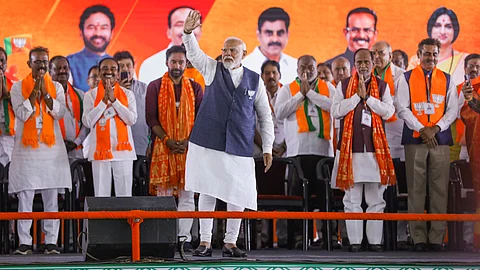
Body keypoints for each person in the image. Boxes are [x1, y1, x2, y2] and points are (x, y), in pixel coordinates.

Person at [182, 10, 274, 257]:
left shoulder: (255, 81)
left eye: (233, 50)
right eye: (225, 50)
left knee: (238, 194)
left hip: (240, 145)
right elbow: (194, 53)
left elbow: (265, 116)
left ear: (244, 54)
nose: (228, 54)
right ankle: (204, 242)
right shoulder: (212, 69)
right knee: (208, 190)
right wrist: (188, 33)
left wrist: (267, 148)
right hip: (208, 142)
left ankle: (230, 242)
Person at [330, 48, 396, 252]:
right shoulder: (342, 85)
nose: (363, 66)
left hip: (375, 152)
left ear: (373, 63)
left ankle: (375, 242)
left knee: (376, 199)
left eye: (367, 62)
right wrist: (357, 98)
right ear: (354, 64)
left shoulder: (383, 86)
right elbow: (335, 111)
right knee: (351, 200)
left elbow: (389, 112)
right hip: (350, 151)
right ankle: (355, 242)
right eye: (359, 62)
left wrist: (369, 98)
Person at [396, 38, 458, 252]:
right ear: (418, 54)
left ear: (438, 55)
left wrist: (436, 128)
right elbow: (401, 108)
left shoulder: (447, 79)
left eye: (434, 54)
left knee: (440, 189)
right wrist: (423, 129)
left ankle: (436, 238)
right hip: (415, 139)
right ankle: (418, 238)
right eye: (426, 53)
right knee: (416, 190)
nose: (430, 57)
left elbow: (452, 111)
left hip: (439, 140)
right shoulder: (405, 78)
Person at [9, 47, 71, 255]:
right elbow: (22, 114)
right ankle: (25, 242)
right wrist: (34, 92)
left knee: (51, 196)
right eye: (38, 62)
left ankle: (51, 241)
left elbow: (59, 112)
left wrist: (45, 93)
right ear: (29, 64)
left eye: (45, 62)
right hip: (26, 151)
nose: (42, 66)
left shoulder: (56, 87)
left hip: (51, 149)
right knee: (25, 196)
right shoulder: (18, 87)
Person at [275, 55, 337, 248]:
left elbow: (334, 108)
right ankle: (300, 236)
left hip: (323, 153)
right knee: (299, 198)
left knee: (325, 198)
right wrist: (300, 94)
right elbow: (279, 113)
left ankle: (330, 236)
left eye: (311, 67)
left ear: (316, 68)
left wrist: (310, 93)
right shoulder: (287, 89)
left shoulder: (328, 88)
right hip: (297, 153)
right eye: (303, 67)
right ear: (296, 68)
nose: (307, 70)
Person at [146, 45, 203, 251]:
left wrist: (188, 141)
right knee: (165, 194)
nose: (177, 66)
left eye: (181, 62)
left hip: (189, 148)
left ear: (186, 63)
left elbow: (200, 118)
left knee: (187, 195)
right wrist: (167, 139)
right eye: (173, 62)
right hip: (164, 147)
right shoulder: (154, 86)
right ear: (166, 63)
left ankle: (183, 239)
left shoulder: (195, 87)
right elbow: (151, 118)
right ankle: (165, 238)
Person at [371, 41, 409, 248]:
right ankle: (379, 238)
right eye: (374, 53)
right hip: (373, 142)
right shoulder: (367, 76)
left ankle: (401, 237)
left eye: (381, 53)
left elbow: (399, 106)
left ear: (390, 54)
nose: (377, 56)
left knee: (399, 192)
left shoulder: (402, 75)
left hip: (397, 141)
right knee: (377, 193)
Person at [82, 58, 137, 197]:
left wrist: (115, 101)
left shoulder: (128, 94)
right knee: (101, 196)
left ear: (118, 74)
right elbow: (88, 122)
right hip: (100, 153)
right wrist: (103, 102)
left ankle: (124, 220)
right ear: (100, 73)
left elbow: (131, 119)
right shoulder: (90, 95)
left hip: (123, 153)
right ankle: (101, 220)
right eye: (105, 69)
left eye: (113, 69)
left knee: (124, 196)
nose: (109, 72)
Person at [139, 6, 203, 85]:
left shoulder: (210, 65)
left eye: (193, 24)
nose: (187, 29)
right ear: (169, 32)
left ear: (201, 31)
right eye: (179, 24)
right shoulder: (150, 65)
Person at [408, 7, 468, 86]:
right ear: (430, 29)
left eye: (448, 26)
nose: (442, 31)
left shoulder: (465, 60)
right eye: (437, 25)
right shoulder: (416, 60)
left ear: (455, 30)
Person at [49, 56, 89, 163]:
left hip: (75, 152)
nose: (62, 71)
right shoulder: (45, 96)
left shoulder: (80, 95)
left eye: (65, 68)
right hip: (52, 151)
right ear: (50, 72)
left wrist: (76, 142)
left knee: (75, 180)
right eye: (57, 68)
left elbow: (86, 123)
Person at [242, 7, 297, 85]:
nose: (275, 39)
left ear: (287, 34)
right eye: (269, 33)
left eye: (280, 33)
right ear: (258, 34)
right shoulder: (244, 67)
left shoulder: (296, 67)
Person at [67, 5, 115, 92]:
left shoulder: (119, 64)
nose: (98, 33)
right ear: (81, 32)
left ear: (112, 33)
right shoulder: (68, 64)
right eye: (91, 27)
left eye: (104, 27)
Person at [459, 53, 480, 252]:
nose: (474, 69)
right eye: (471, 66)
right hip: (463, 150)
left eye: (478, 66)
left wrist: (472, 100)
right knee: (469, 195)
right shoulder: (459, 88)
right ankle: (467, 241)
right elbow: (467, 116)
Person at [113, 51, 149, 158]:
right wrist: (119, 90)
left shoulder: (145, 89)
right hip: (116, 146)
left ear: (134, 67)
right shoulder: (109, 90)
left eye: (128, 66)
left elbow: (152, 115)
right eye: (121, 66)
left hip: (140, 144)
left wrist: (151, 143)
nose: (125, 69)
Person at [0, 47, 15, 166]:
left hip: (8, 136)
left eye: (2, 61)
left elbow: (22, 112)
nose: (0, 64)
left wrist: (7, 93)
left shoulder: (15, 86)